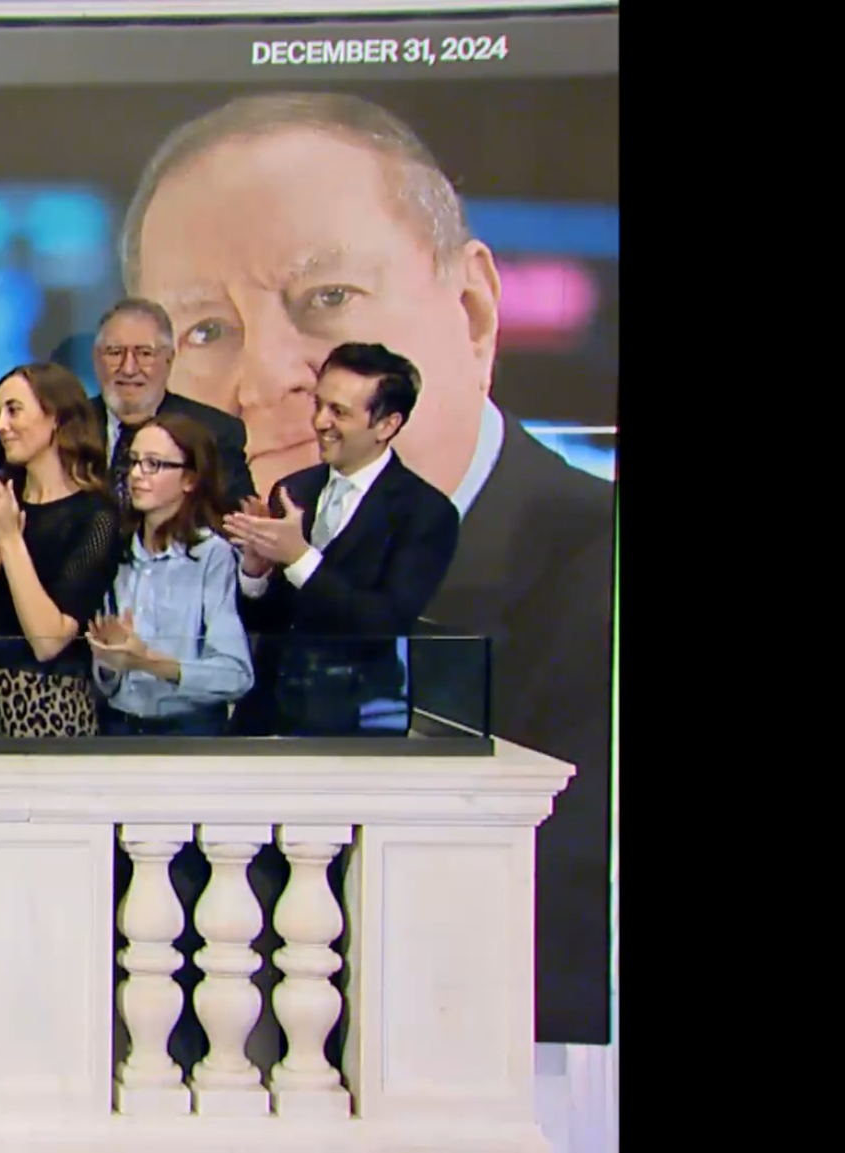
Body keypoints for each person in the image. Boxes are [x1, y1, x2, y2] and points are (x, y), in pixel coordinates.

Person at [120, 92, 616, 1041]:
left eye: (326, 299)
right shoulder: (181, 580)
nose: (264, 373)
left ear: (473, 311)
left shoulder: (597, 573)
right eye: (205, 332)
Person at [222, 342, 458, 737]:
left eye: (339, 412)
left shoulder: (425, 513)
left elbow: (383, 621)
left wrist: (299, 559)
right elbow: (265, 621)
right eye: (319, 405)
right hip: (264, 714)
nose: (319, 422)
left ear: (387, 425)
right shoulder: (292, 490)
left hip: (355, 723)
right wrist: (256, 572)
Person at [0, 362, 124, 737]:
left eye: (14, 410)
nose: (1, 425)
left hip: (51, 709)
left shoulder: (95, 517)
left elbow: (48, 640)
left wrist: (12, 542)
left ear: (57, 417)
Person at [85, 412, 253, 736]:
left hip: (188, 733)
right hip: (118, 727)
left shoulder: (212, 556)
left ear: (190, 479)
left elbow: (235, 675)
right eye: (133, 462)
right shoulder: (116, 552)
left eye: (154, 464)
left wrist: (148, 661)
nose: (137, 474)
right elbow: (108, 680)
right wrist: (110, 663)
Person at [87, 298, 254, 511]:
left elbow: (236, 524)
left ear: (169, 359)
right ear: (96, 359)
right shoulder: (66, 425)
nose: (128, 368)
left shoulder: (214, 432)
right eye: (115, 352)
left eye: (145, 353)